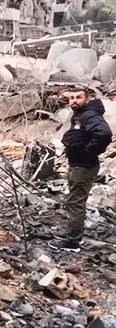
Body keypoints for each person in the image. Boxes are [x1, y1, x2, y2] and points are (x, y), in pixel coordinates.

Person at [49, 88, 112, 252]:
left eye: (78, 97)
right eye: (71, 98)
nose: (74, 101)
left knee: (75, 203)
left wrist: (88, 151)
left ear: (87, 99)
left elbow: (104, 134)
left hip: (84, 166)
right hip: (78, 165)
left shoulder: (90, 115)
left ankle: (72, 242)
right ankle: (71, 233)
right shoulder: (80, 114)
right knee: (73, 201)